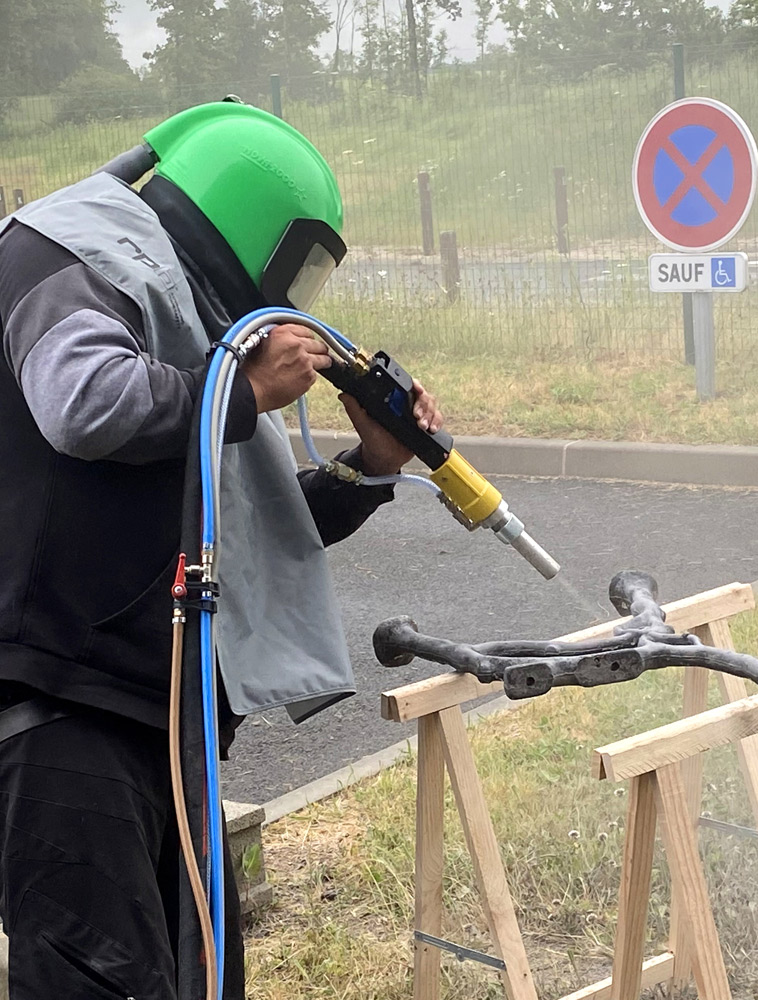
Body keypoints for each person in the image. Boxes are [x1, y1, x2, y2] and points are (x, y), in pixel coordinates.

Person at [0, 100, 442, 999]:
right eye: (297, 268)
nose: (294, 298)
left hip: (162, 726)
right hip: (56, 714)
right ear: (249, 226)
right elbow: (82, 404)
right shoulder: (61, 256)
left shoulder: (197, 342)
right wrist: (239, 386)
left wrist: (374, 465)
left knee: (205, 983)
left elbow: (248, 526)